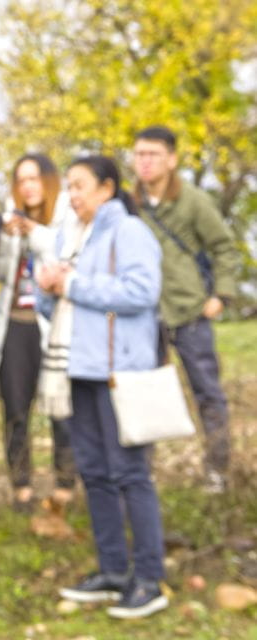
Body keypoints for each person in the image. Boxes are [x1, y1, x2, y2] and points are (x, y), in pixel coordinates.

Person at [38, 155, 168, 619]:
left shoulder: (128, 231)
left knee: (130, 474)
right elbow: (57, 307)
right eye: (69, 187)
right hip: (77, 368)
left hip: (119, 370)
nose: (71, 195)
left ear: (107, 188)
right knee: (93, 473)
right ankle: (113, 570)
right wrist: (48, 288)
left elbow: (142, 292)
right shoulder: (71, 236)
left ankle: (149, 579)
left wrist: (72, 285)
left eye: (80, 186)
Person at [131, 126, 239, 494]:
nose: (145, 162)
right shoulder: (130, 203)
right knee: (143, 393)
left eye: (153, 154)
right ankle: (142, 474)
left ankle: (217, 471)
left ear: (172, 159)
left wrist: (221, 295)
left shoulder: (193, 201)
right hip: (144, 315)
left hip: (190, 312)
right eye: (139, 154)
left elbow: (224, 247)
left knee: (207, 392)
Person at [0, 154, 77, 513]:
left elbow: (64, 256)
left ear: (49, 181)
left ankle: (65, 483)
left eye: (34, 178)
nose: (27, 186)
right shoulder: (9, 219)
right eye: (21, 180)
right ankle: (21, 486)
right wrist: (6, 239)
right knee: (16, 409)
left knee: (60, 406)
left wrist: (33, 232)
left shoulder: (67, 216)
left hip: (53, 324)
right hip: (15, 323)